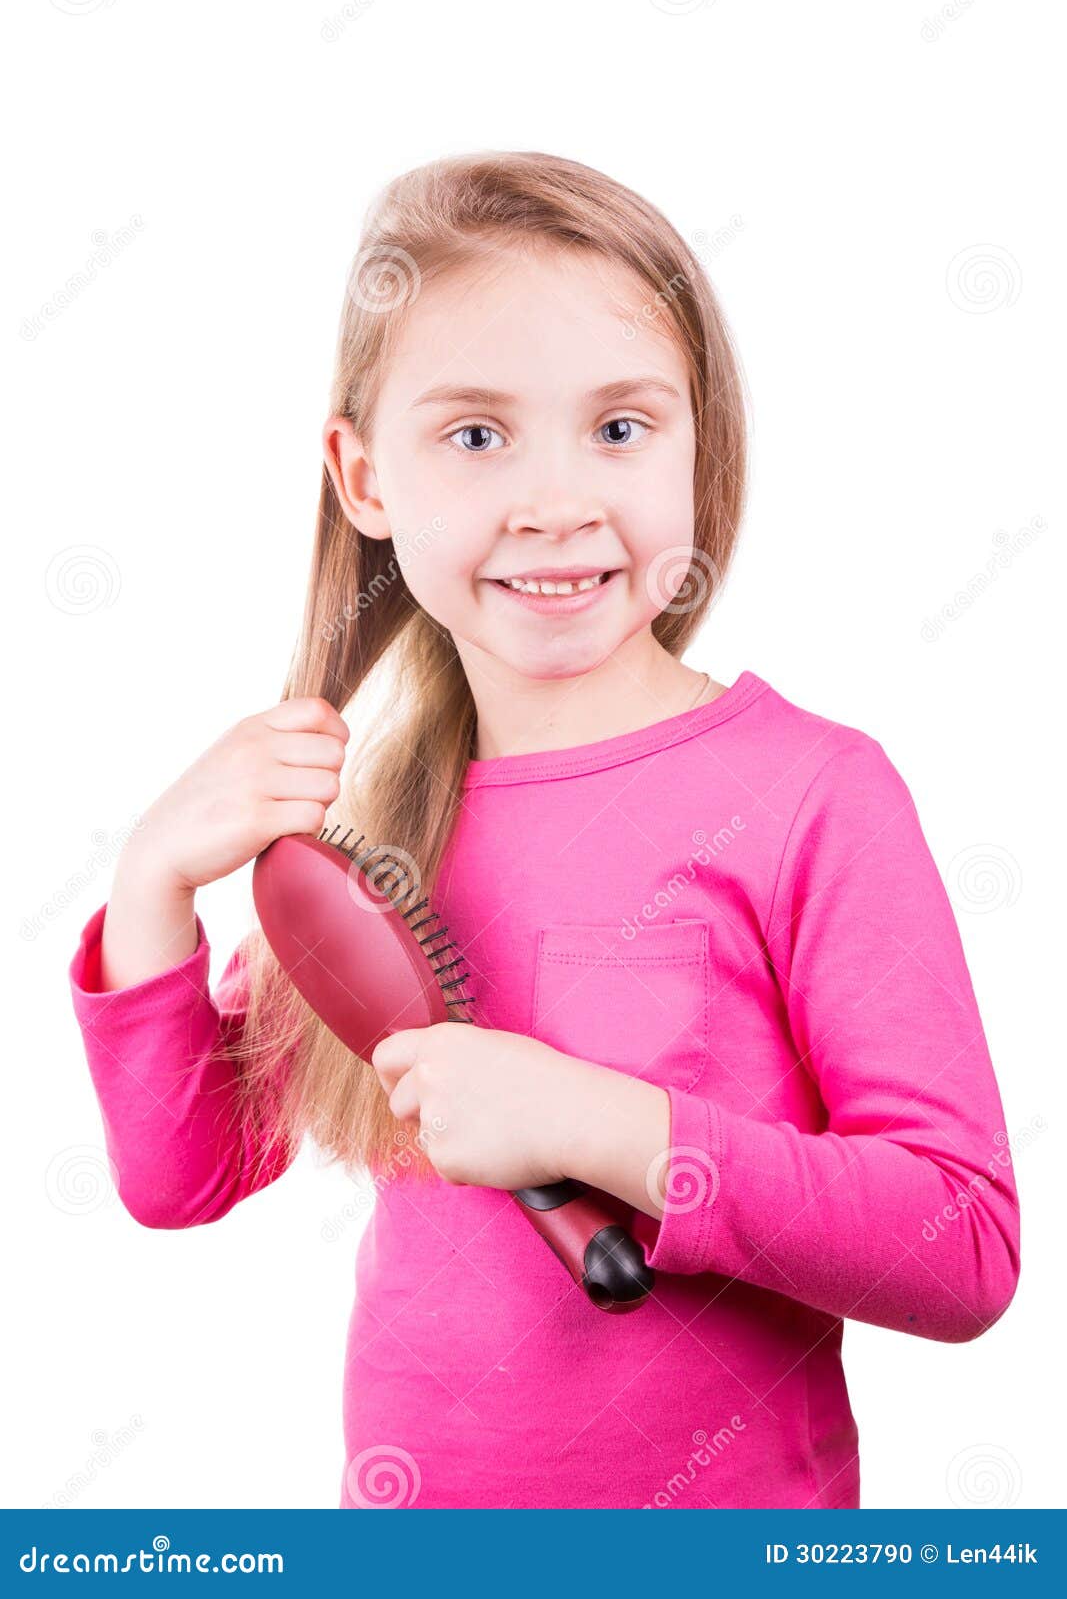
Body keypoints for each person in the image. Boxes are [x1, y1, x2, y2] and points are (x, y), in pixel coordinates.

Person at [68, 150, 1020, 1510]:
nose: (555, 499)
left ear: (702, 443)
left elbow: (961, 1245)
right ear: (363, 478)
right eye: (475, 434)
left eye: (621, 428)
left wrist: (605, 1125)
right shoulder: (374, 829)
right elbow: (187, 1172)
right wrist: (154, 878)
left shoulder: (816, 794)